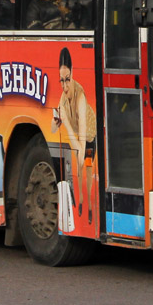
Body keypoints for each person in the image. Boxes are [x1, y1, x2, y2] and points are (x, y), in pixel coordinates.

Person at [52, 47, 96, 224]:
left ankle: (91, 207)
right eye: (61, 81)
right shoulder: (62, 100)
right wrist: (55, 120)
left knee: (87, 168)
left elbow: (84, 132)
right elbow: (64, 131)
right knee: (78, 170)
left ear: (72, 75)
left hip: (90, 137)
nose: (64, 86)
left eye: (67, 80)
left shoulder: (80, 96)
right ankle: (80, 202)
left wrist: (81, 151)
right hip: (78, 136)